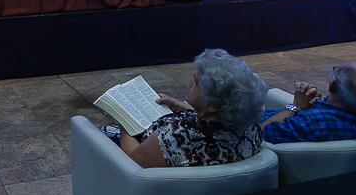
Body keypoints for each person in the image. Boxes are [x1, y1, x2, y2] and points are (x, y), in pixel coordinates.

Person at [114, 49, 266, 168]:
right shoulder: (250, 128)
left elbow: (133, 160)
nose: (189, 82)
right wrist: (177, 105)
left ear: (212, 104)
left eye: (196, 82)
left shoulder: (177, 137)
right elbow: (211, 120)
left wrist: (124, 119)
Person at [261, 61, 356, 143]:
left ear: (333, 86)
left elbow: (258, 134)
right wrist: (322, 102)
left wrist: (296, 106)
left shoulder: (314, 122)